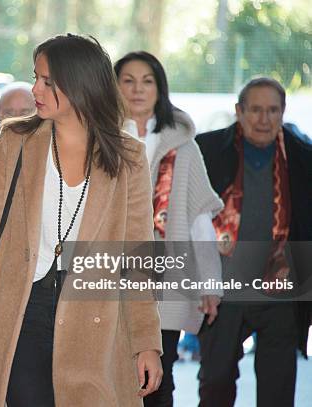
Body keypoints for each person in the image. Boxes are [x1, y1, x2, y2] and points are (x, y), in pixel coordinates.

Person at [0, 34, 163, 406]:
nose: (35, 88)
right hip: (20, 312)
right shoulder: (15, 140)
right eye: (36, 77)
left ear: (80, 84)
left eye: (47, 81)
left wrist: (146, 342)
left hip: (94, 319)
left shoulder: (129, 156)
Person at [115, 51, 224, 407]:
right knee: (109, 373)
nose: (137, 90)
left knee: (160, 373)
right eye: (128, 80)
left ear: (160, 89)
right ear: (113, 86)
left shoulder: (184, 146)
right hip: (108, 273)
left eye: (147, 81)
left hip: (167, 277)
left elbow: (198, 218)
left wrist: (210, 282)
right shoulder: (99, 137)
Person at [196, 77, 312, 407]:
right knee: (215, 382)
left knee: (278, 388)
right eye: (256, 110)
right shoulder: (206, 150)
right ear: (239, 111)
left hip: (281, 291)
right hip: (221, 289)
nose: (264, 119)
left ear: (283, 112)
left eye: (273, 110)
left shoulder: (303, 158)